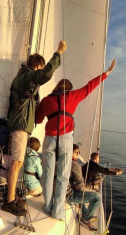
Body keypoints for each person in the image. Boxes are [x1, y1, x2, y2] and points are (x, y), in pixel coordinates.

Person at [35, 59, 117, 220]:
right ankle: (57, 211)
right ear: (69, 89)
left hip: (49, 139)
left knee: (47, 174)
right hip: (65, 140)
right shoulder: (73, 96)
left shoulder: (46, 100)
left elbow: (37, 120)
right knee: (63, 176)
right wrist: (107, 73)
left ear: (56, 88)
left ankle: (47, 206)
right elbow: (90, 86)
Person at [2, 41, 67, 216]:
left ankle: (11, 195)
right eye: (41, 67)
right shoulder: (28, 76)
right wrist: (58, 53)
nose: (41, 70)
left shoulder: (24, 78)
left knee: (18, 162)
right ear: (37, 66)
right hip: (20, 125)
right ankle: (9, 201)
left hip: (21, 124)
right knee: (17, 162)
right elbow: (44, 75)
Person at [67, 144, 100, 231]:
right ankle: (86, 219)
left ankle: (86, 214)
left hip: (59, 191)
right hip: (68, 196)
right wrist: (92, 190)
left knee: (81, 193)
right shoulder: (75, 165)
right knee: (97, 197)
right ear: (77, 153)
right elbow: (81, 188)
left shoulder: (60, 160)